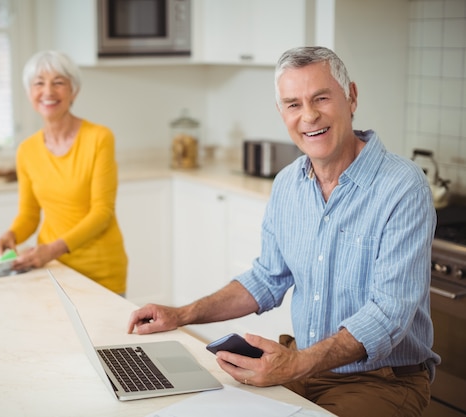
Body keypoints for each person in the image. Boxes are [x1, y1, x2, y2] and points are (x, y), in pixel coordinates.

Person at [127, 46, 439, 417]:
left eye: (321, 98)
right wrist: (182, 314)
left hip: (380, 380)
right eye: (293, 104)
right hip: (301, 365)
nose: (309, 116)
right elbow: (266, 279)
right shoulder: (288, 183)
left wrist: (296, 364)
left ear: (351, 97)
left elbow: (388, 315)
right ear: (282, 113)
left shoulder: (403, 187)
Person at [0, 50, 128, 294]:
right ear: (29, 93)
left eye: (58, 83)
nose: (48, 92)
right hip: (53, 270)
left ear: (73, 91)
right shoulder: (26, 150)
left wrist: (52, 249)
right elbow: (29, 214)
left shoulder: (99, 138)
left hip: (101, 271)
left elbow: (102, 212)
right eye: (39, 83)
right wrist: (10, 235)